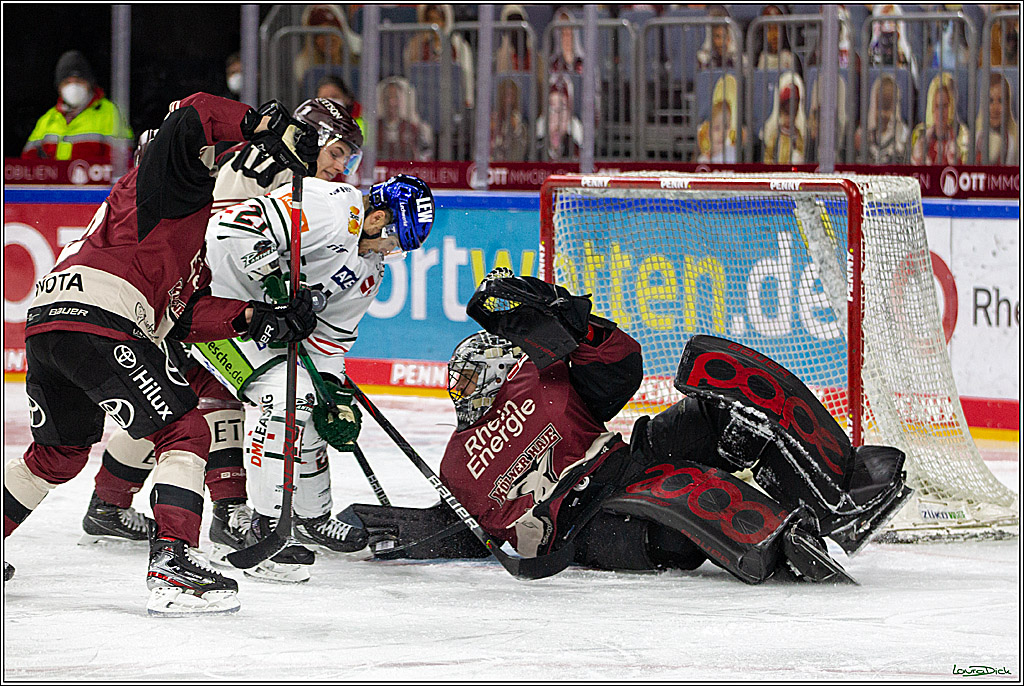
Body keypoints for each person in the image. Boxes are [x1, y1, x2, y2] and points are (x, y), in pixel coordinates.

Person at [339, 271, 910, 583]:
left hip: (628, 457)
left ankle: (835, 487)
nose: (510, 361)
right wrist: (383, 526)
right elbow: (465, 533)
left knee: (720, 413)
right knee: (679, 515)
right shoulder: (457, 462)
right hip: (591, 525)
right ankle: (786, 543)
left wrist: (573, 321)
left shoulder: (537, 382)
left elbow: (618, 367)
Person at [3, 93, 321, 615]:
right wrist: (259, 122)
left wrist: (255, 317)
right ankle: (173, 565)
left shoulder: (187, 231)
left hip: (51, 321)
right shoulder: (166, 183)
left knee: (57, 455)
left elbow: (187, 314)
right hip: (100, 314)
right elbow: (191, 114)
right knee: (187, 430)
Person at [78, 97, 366, 575]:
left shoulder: (284, 170)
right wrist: (272, 296)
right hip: (191, 294)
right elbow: (226, 237)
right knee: (214, 393)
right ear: (309, 138)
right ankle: (230, 513)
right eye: (337, 153)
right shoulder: (279, 168)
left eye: (348, 159)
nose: (341, 167)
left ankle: (109, 502)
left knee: (176, 400)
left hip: (188, 291)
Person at [190, 173, 435, 583]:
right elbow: (230, 227)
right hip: (211, 307)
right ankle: (264, 530)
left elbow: (329, 345)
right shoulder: (330, 206)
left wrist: (334, 394)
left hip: (266, 327)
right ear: (376, 220)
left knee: (316, 400)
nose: (391, 251)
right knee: (288, 399)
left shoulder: (370, 273)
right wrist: (273, 282)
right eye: (393, 240)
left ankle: (310, 516)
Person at [22, 50, 133, 164]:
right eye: (67, 82)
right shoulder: (48, 120)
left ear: (89, 83)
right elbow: (27, 166)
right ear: (59, 87)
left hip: (96, 180)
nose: (73, 87)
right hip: (53, 182)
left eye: (78, 81)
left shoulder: (110, 114)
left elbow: (124, 164)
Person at [403, 4, 475, 109]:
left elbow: (467, 74)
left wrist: (468, 100)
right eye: (430, 20)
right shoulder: (414, 45)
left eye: (438, 20)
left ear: (446, 21)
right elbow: (410, 77)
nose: (434, 25)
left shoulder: (459, 45)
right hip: (423, 102)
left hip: (452, 100)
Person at [293, 4, 362, 84]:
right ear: (314, 41)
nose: (328, 39)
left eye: (332, 31)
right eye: (321, 34)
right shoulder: (304, 66)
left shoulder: (360, 60)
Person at [911, 73, 969, 165]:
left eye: (945, 106)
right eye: (937, 106)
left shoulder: (961, 133)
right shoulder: (920, 134)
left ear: (952, 107)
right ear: (932, 108)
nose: (941, 112)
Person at [855, 73, 911, 164]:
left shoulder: (903, 136)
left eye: (887, 107)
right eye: (879, 107)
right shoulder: (862, 135)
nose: (882, 114)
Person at [377, 76, 434, 161]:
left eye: (395, 97)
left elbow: (425, 159)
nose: (391, 102)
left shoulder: (414, 129)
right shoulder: (374, 129)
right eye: (388, 98)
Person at [760, 71, 806, 164]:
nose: (789, 118)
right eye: (786, 113)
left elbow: (802, 152)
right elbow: (767, 156)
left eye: (792, 114)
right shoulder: (775, 135)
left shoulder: (798, 135)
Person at [975, 72, 1018, 165]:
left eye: (1000, 101)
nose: (995, 108)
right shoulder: (974, 140)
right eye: (990, 101)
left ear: (1007, 104)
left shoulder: (1015, 145)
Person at [696, 74, 740, 164]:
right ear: (708, 132)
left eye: (726, 127)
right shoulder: (703, 161)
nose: (722, 133)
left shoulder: (734, 153)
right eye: (716, 129)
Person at [538, 76, 582, 162]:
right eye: (552, 109)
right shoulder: (535, 151)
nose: (557, 118)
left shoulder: (577, 152)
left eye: (562, 109)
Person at [490, 77, 529, 162]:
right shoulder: (493, 118)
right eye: (506, 95)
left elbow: (518, 148)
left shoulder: (518, 120)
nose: (509, 99)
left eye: (512, 95)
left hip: (511, 162)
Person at [755, 5, 797, 71]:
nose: (774, 35)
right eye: (769, 29)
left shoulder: (789, 58)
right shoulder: (759, 59)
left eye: (776, 29)